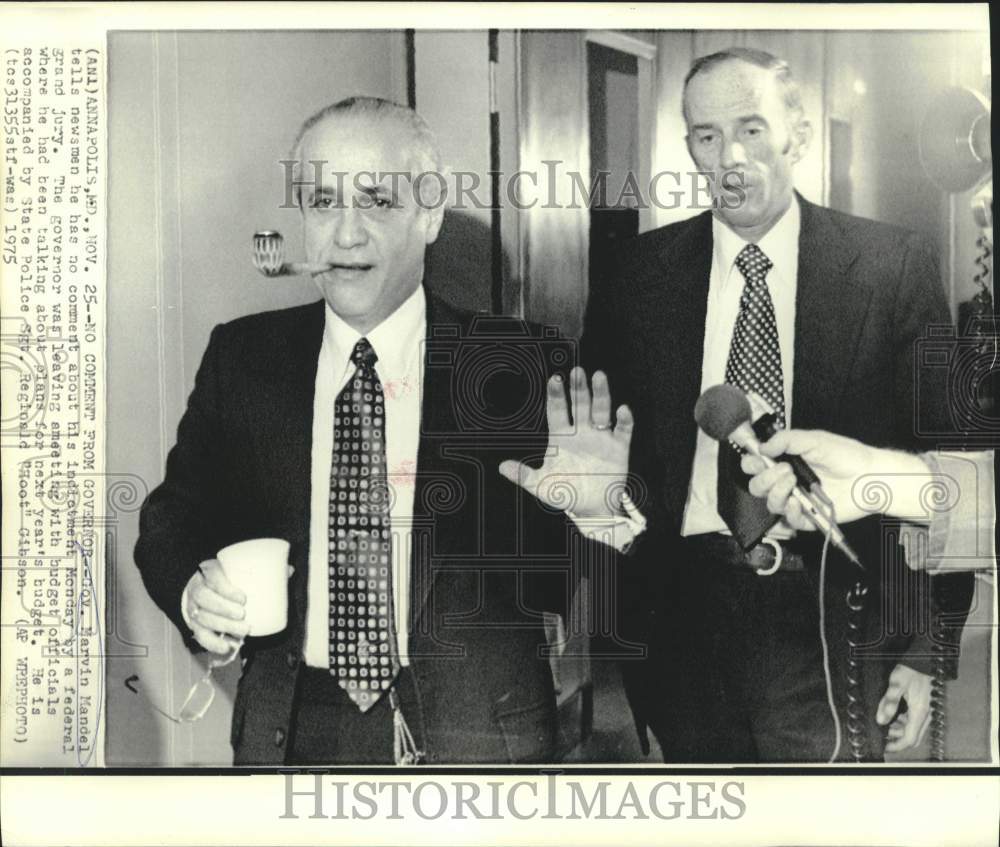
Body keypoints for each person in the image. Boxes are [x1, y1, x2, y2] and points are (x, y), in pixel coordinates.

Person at [134, 96, 631, 765]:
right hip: (288, 734)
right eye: (321, 202)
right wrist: (194, 592)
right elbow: (172, 517)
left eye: (374, 201)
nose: (345, 234)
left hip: (477, 737)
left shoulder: (518, 365)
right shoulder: (244, 357)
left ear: (429, 214)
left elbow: (573, 590)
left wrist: (596, 523)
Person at [579, 47, 974, 762]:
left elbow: (948, 460)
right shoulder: (633, 277)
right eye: (705, 135)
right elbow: (603, 453)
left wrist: (926, 646)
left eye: (752, 128)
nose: (729, 156)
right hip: (681, 620)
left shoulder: (892, 267)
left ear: (798, 133)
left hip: (836, 612)